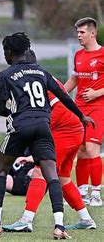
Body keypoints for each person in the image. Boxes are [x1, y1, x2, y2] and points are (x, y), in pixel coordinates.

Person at [0, 32, 93, 239]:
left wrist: (14, 111)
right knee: (56, 176)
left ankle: (3, 222)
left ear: (10, 53)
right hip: (52, 128)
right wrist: (81, 115)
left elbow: (2, 109)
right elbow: (64, 96)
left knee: (4, 170)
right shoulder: (42, 72)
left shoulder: (6, 74)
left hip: (36, 127)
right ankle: (65, 225)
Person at [3, 50, 96, 232]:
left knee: (40, 172)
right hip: (74, 129)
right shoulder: (42, 76)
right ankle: (86, 219)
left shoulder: (34, 80)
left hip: (66, 130)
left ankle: (26, 220)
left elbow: (56, 112)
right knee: (62, 179)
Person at [64, 17, 103, 207]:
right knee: (80, 149)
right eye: (77, 32)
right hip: (79, 108)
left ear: (92, 33)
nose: (79, 36)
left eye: (82, 32)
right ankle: (82, 191)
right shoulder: (78, 55)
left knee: (91, 147)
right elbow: (74, 80)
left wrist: (97, 92)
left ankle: (96, 192)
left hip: (98, 108)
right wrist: (58, 95)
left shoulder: (103, 54)